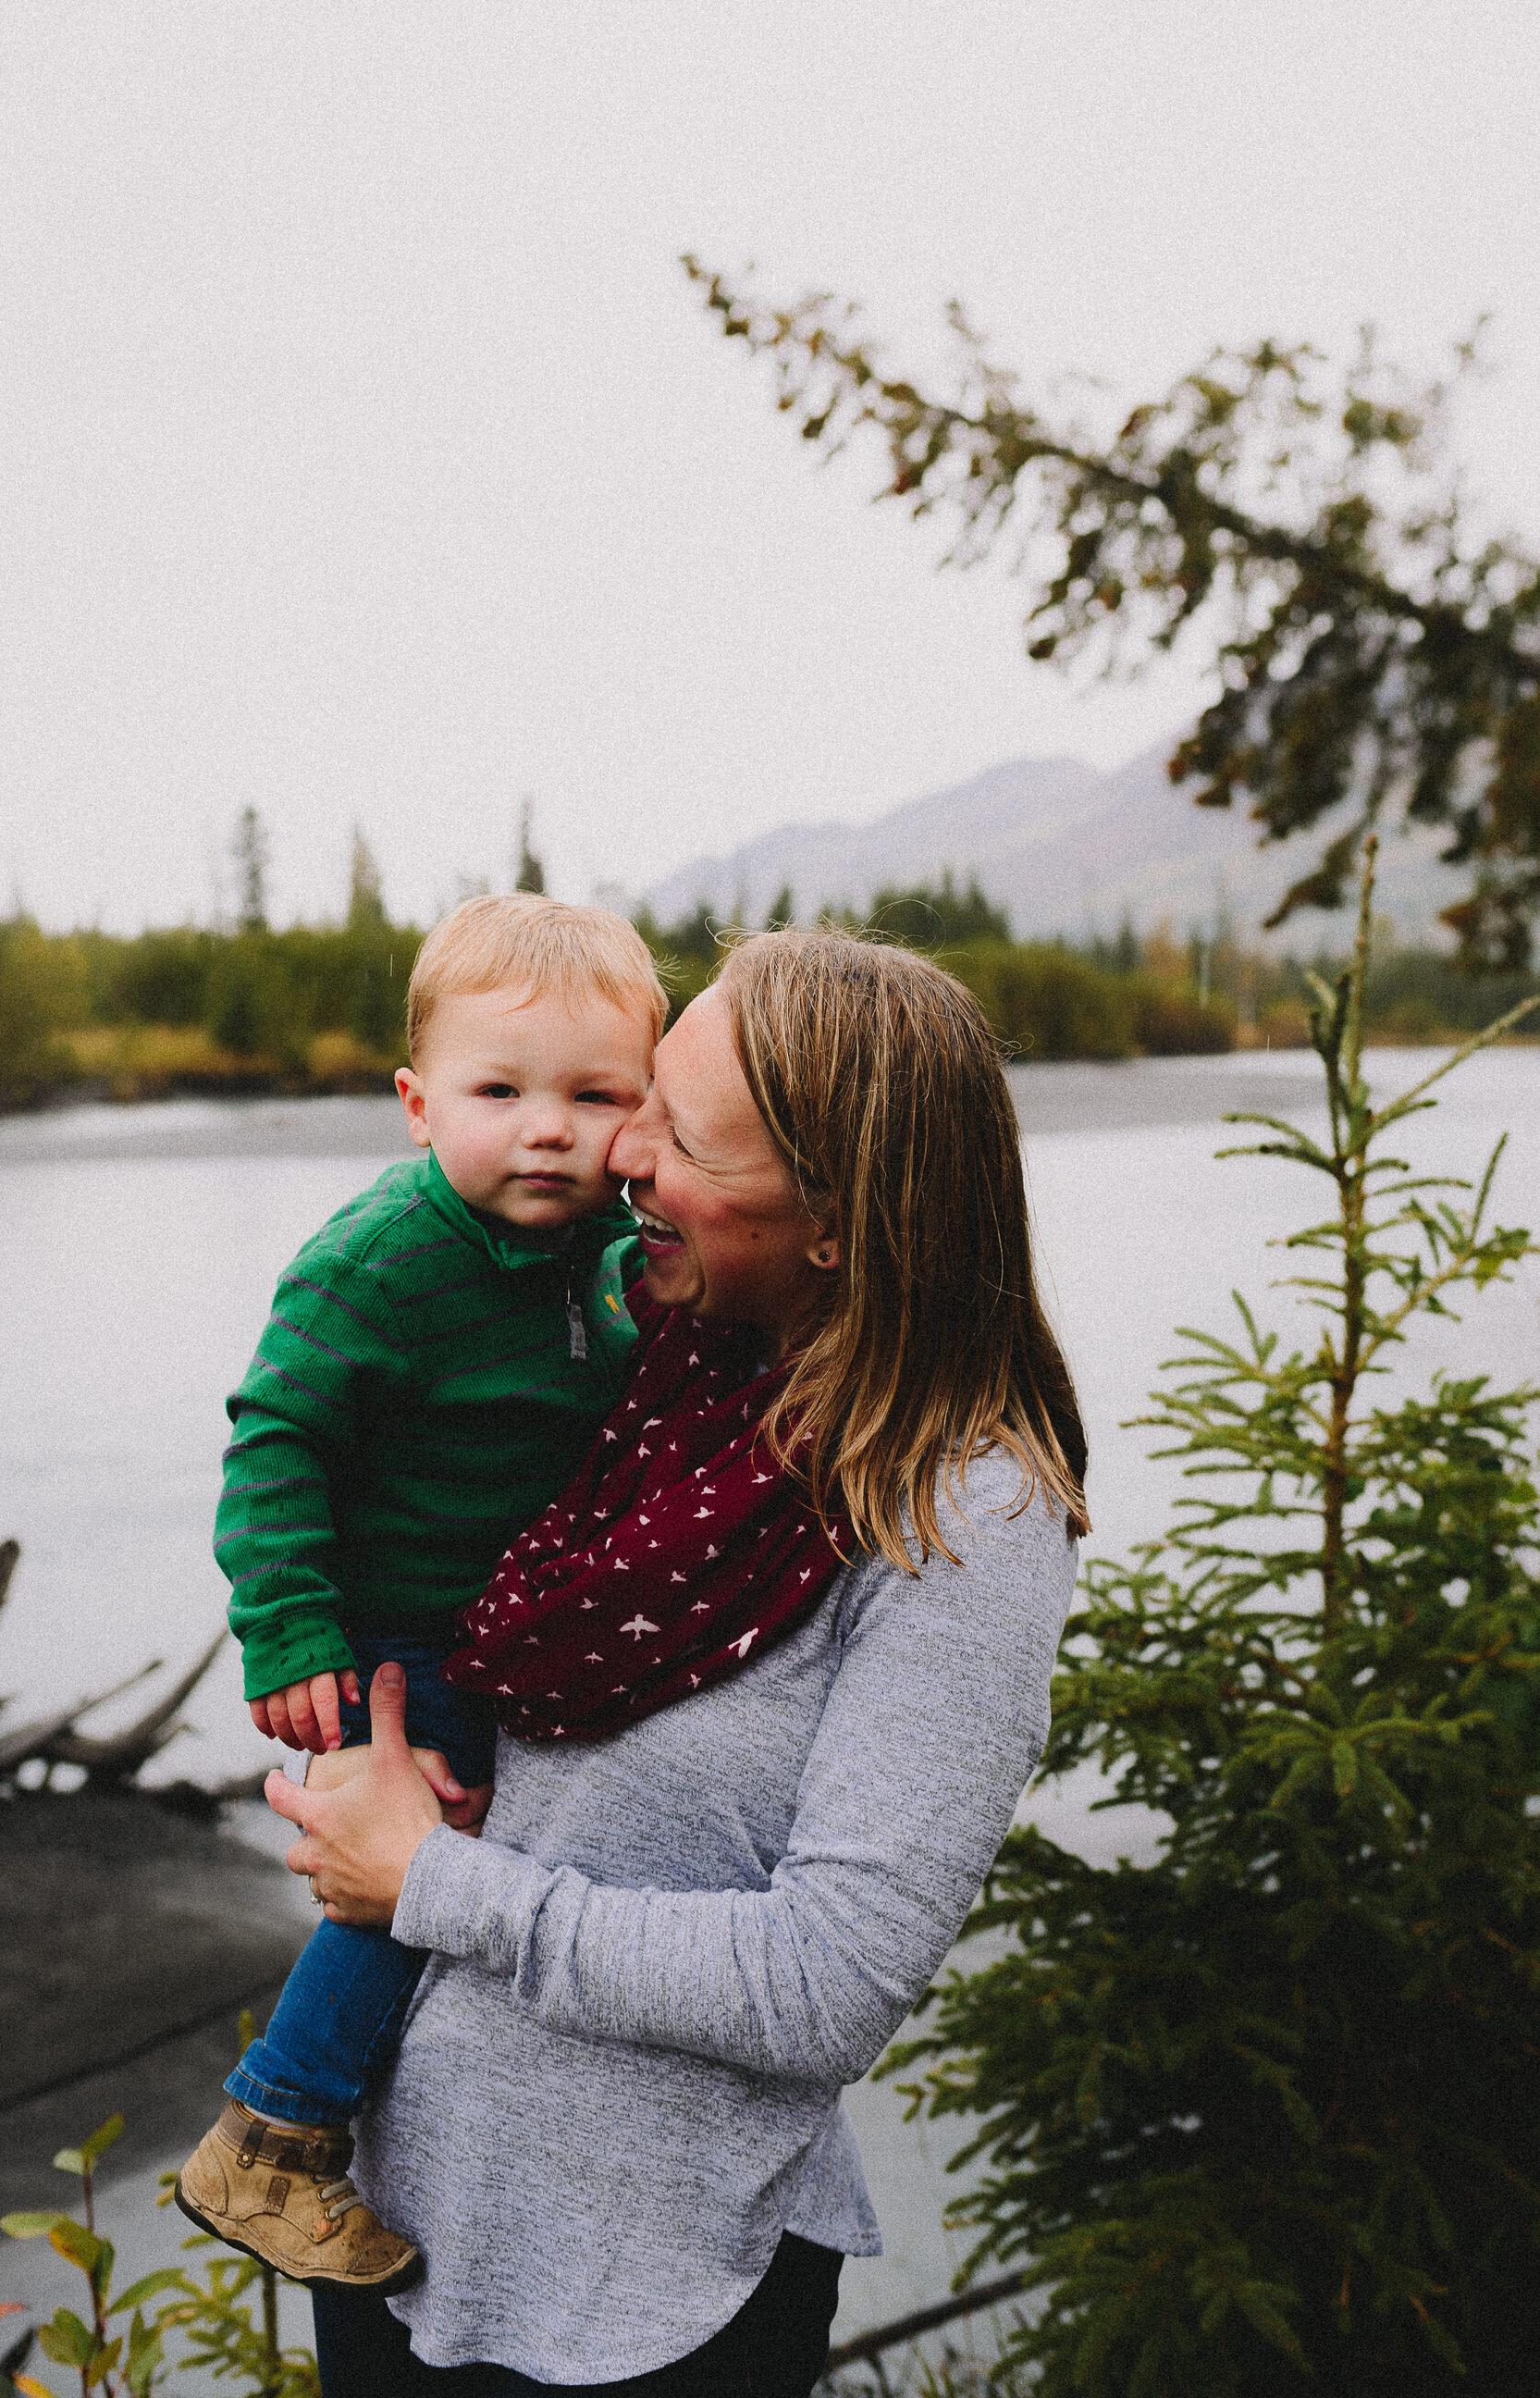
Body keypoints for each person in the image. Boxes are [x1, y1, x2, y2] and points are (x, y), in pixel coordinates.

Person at [267, 926, 1089, 2396]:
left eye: (675, 1130)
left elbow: (826, 1982)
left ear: (834, 1219)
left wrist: (432, 1879)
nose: (618, 1156)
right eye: (632, 1098)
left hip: (651, 2293)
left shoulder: (962, 1509)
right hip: (405, 2237)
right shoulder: (648, 1373)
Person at [177, 894, 665, 2290]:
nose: (548, 1128)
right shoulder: (377, 1264)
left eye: (595, 1094)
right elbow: (275, 1442)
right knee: (412, 1870)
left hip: (506, 1633)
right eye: (498, 1091)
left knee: (489, 1872)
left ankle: (436, 2128)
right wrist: (289, 1630)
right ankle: (276, 2132)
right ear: (416, 1102)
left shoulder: (610, 1249)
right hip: (396, 1647)